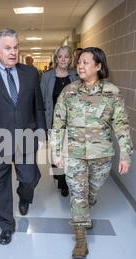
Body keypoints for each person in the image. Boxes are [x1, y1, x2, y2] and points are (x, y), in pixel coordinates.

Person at [50, 47, 133, 259]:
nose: (80, 66)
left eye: (86, 62)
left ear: (98, 66)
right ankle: (80, 240)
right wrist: (56, 152)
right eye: (79, 62)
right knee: (78, 194)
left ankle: (87, 205)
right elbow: (58, 124)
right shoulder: (68, 92)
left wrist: (125, 154)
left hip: (101, 155)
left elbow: (121, 125)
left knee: (91, 193)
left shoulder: (112, 93)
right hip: (74, 154)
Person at [0, 28, 46, 245]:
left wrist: (41, 132)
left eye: (16, 47)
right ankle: (6, 226)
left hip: (26, 136)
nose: (13, 52)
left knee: (30, 177)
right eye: (7, 48)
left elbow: (38, 106)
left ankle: (25, 195)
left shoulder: (30, 74)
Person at [40, 45, 79, 197]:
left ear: (70, 59)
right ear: (56, 59)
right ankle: (57, 173)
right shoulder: (47, 76)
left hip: (71, 121)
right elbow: (42, 100)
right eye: (60, 57)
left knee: (67, 152)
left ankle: (64, 184)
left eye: (66, 57)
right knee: (56, 151)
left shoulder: (75, 75)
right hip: (53, 121)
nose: (63, 59)